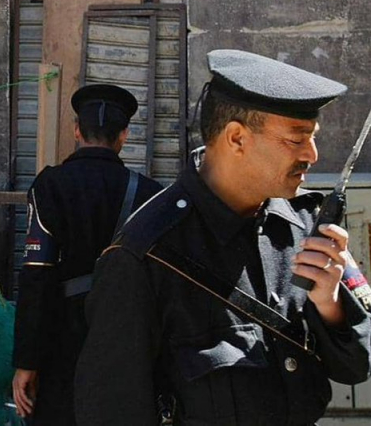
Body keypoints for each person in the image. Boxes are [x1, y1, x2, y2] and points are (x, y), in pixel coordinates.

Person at [74, 49, 371, 424]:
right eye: (296, 139)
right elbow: (110, 411)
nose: (312, 154)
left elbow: (356, 367)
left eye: (312, 138)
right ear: (236, 138)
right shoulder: (144, 255)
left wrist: (330, 306)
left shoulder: (303, 224)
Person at [12, 84, 163, 424]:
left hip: (61, 336)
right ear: (124, 135)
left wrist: (26, 361)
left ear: (77, 130)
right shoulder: (150, 194)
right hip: (127, 336)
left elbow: (36, 275)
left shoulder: (49, 185)